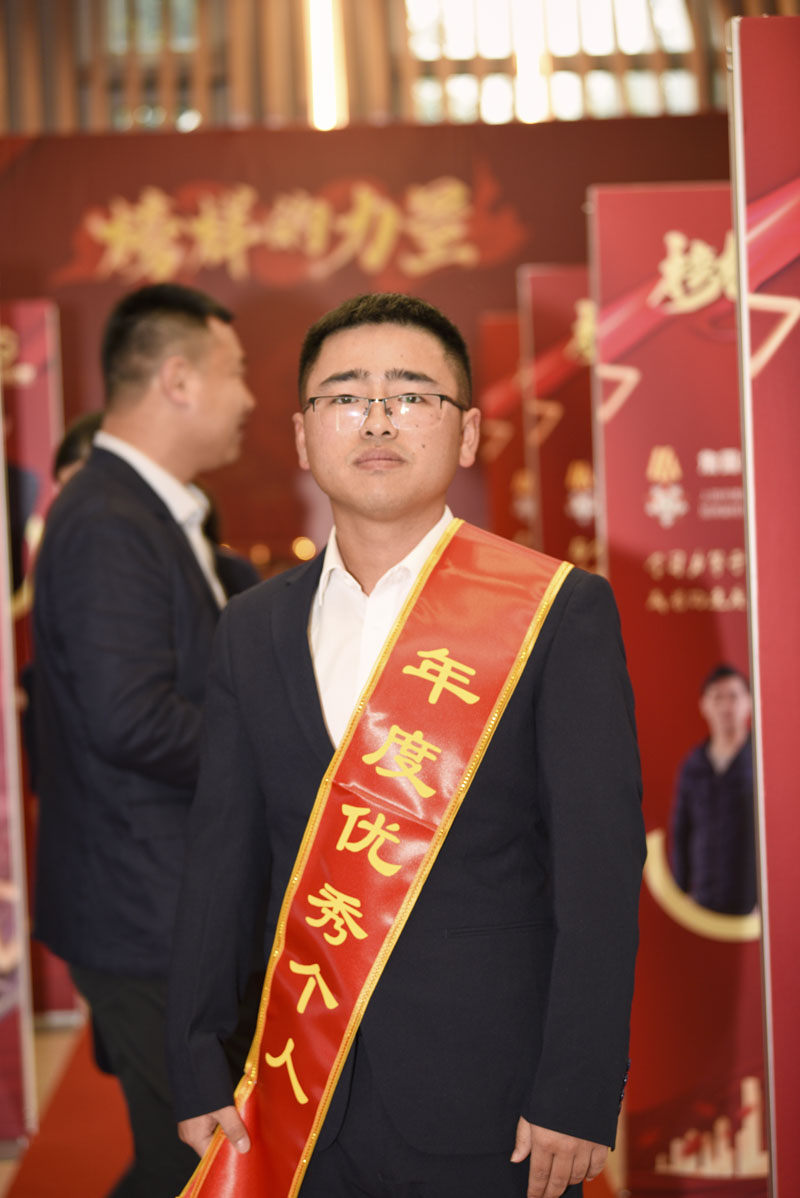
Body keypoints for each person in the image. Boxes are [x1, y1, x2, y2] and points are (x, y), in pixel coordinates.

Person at [167, 292, 645, 1198]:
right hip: (297, 1092)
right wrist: (196, 1057)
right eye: (346, 395)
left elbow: (601, 871)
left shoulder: (555, 611)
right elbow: (222, 859)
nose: (378, 418)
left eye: (413, 395)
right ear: (304, 435)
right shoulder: (252, 628)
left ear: (467, 434)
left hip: (493, 1102)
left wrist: (578, 1089)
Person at [32, 282, 256, 1198]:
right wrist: (274, 758)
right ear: (177, 378)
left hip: (162, 898)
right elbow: (131, 717)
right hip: (145, 909)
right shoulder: (108, 521)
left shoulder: (151, 511)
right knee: (195, 1166)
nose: (249, 397)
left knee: (188, 1160)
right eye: (236, 372)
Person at [670, 664, 757, 915]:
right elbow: (681, 830)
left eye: (733, 696)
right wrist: (681, 891)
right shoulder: (693, 765)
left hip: (752, 904)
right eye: (718, 697)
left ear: (749, 702)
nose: (726, 706)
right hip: (705, 900)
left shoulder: (760, 761)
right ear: (704, 705)